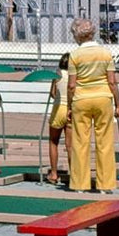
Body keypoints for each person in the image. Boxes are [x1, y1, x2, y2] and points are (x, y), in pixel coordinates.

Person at [66, 17, 119, 193]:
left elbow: (71, 85)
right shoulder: (105, 53)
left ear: (78, 35)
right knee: (104, 142)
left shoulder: (74, 56)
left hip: (81, 100)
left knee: (80, 143)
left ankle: (80, 185)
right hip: (103, 99)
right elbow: (112, 81)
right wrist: (118, 104)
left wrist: (68, 106)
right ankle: (105, 185)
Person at [46, 52, 71, 186]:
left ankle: (54, 173)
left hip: (58, 109)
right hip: (71, 109)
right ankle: (74, 175)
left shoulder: (57, 73)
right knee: (70, 145)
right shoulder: (76, 75)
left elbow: (53, 93)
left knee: (53, 141)